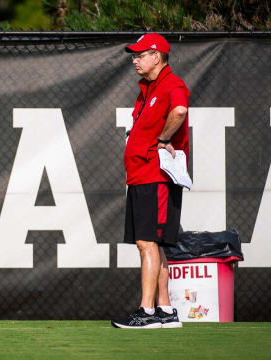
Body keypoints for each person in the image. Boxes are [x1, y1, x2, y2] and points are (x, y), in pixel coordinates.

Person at [111, 33, 190, 329]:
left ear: (157, 56)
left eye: (140, 54)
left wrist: (162, 139)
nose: (135, 59)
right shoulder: (146, 88)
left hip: (155, 177)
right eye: (134, 55)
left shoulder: (172, 84)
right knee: (153, 244)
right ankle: (166, 311)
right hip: (142, 176)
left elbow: (180, 110)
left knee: (147, 243)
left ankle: (146, 312)